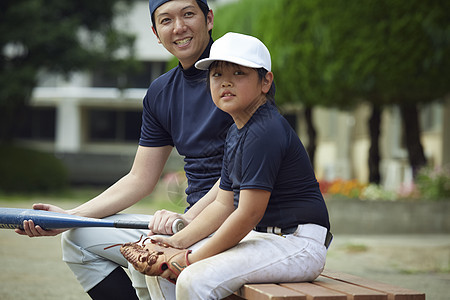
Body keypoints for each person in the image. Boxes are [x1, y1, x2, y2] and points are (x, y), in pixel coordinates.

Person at [15, 0, 233, 299]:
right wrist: (69, 216)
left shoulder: (237, 72)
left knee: (152, 260)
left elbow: (240, 174)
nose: (179, 27)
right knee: (77, 238)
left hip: (232, 222)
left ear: (209, 19)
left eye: (188, 14)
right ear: (156, 33)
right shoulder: (161, 92)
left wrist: (186, 225)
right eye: (166, 20)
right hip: (187, 222)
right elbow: (140, 179)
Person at [145, 32, 332, 299]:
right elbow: (223, 204)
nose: (226, 82)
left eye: (239, 73)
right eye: (217, 75)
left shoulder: (265, 130)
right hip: (265, 240)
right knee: (162, 269)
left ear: (265, 81)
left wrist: (190, 257)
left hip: (297, 244)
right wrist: (176, 242)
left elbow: (247, 215)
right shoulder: (237, 130)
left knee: (192, 279)